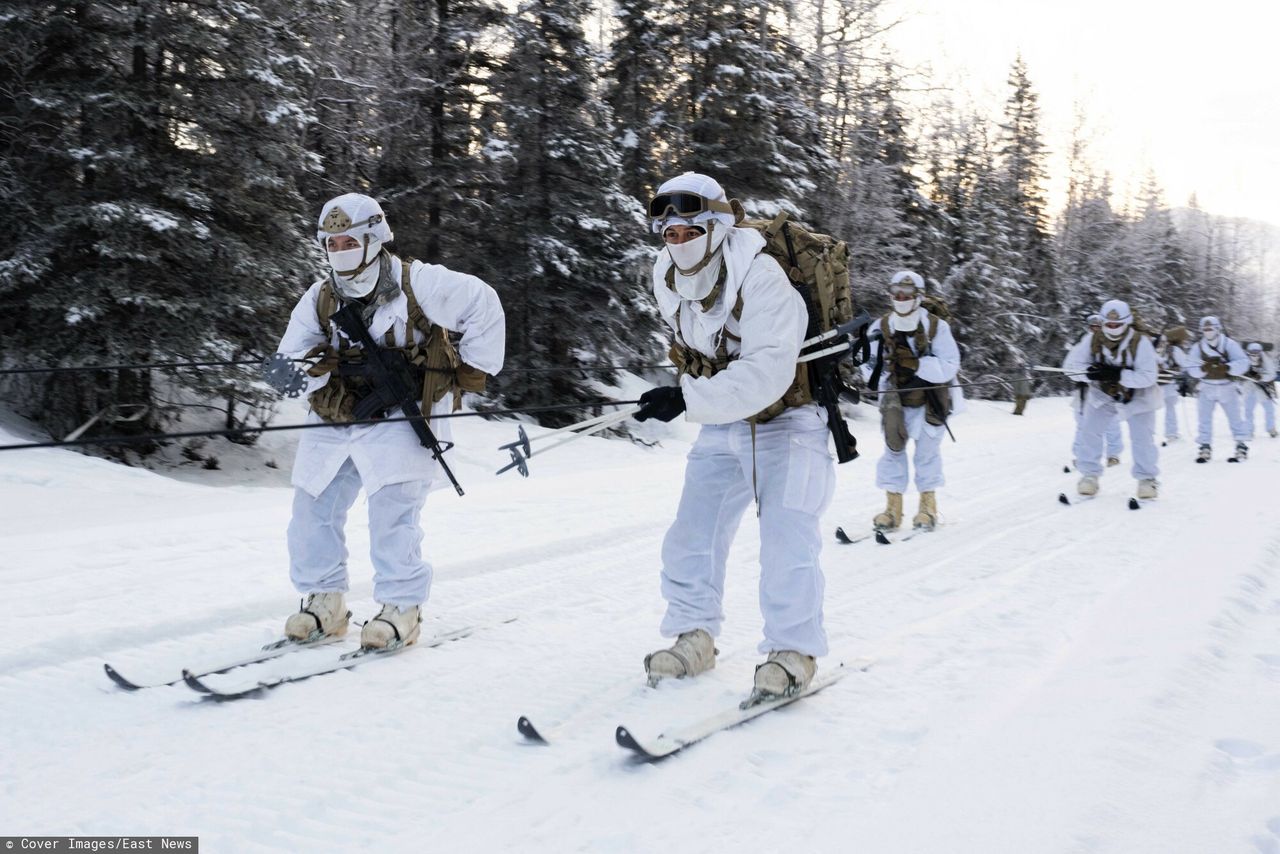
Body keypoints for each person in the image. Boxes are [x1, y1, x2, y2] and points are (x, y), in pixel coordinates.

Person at [275, 193, 505, 648]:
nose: (339, 251)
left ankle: (402, 607)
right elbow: (288, 359)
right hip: (336, 413)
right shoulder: (320, 296)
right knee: (310, 508)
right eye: (332, 243)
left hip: (403, 412)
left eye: (349, 241)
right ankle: (325, 601)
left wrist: (474, 367)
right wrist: (301, 372)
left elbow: (484, 301)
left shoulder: (421, 283)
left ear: (374, 238)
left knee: (392, 512)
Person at [634, 172, 832, 699]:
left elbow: (770, 369)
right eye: (668, 234)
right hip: (723, 421)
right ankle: (693, 636)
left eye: (688, 230)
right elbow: (700, 350)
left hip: (789, 419)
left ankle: (792, 651)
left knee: (787, 534)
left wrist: (688, 398)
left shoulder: (761, 275)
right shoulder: (665, 275)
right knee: (692, 532)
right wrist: (678, 390)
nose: (677, 241)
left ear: (716, 225)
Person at [862, 271, 961, 531]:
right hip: (896, 399)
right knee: (893, 450)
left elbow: (950, 364)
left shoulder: (936, 326)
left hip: (930, 398)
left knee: (927, 453)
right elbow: (868, 365)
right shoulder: (880, 326)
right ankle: (892, 509)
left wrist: (918, 365)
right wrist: (886, 371)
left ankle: (928, 508)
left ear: (918, 295)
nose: (901, 297)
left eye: (906, 293)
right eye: (896, 292)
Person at [1062, 299, 1161, 498]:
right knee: (1090, 432)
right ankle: (1089, 476)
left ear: (1127, 322)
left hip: (1138, 396)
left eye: (1118, 325)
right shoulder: (1092, 340)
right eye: (1109, 324)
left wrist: (1119, 374)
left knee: (1142, 438)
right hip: (1102, 393)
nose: (1113, 328)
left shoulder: (1139, 342)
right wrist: (1089, 374)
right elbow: (1070, 367)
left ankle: (1147, 479)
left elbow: (1149, 375)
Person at [1185, 316, 1249, 462]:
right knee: (1204, 419)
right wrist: (1202, 368)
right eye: (1205, 329)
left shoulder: (1229, 344)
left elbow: (1243, 362)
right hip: (1207, 387)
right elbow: (1190, 367)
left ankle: (1241, 445)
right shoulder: (1198, 347)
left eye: (1211, 328)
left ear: (1217, 328)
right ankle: (1205, 446)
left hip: (1227, 386)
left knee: (1235, 418)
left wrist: (1228, 367)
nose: (1208, 331)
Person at [1072, 314, 1125, 466]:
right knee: (1083, 425)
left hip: (1109, 390)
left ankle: (1113, 454)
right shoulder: (1082, 344)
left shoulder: (1113, 342)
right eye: (1093, 326)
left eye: (1098, 326)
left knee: (1112, 423)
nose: (1095, 329)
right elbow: (1072, 367)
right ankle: (1081, 455)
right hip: (1085, 392)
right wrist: (1087, 373)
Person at [1155, 326, 1190, 442]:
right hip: (1170, 383)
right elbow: (1185, 364)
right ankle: (1171, 433)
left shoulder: (1161, 349)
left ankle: (1151, 434)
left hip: (1158, 383)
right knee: (1170, 409)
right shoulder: (1175, 350)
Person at [1242, 342, 1277, 439]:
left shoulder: (1266, 360)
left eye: (1256, 353)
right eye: (1252, 354)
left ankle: (1271, 428)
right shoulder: (1244, 360)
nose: (1254, 356)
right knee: (1248, 410)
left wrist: (1262, 377)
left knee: (1269, 409)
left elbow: (1272, 374)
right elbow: (1238, 371)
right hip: (1249, 387)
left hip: (1263, 388)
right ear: (1248, 353)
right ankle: (1249, 430)